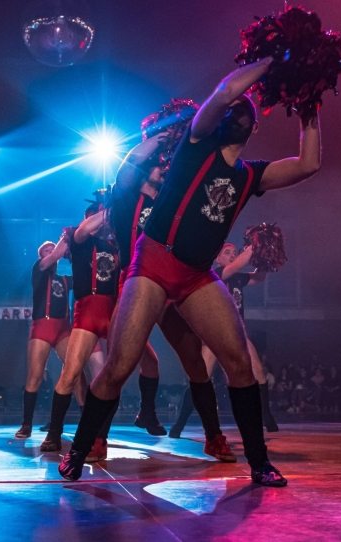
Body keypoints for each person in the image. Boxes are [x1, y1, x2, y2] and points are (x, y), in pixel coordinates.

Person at [58, 56, 321, 487]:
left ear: (255, 128)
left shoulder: (250, 175)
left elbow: (308, 165)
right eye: (235, 108)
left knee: (239, 364)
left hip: (198, 276)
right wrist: (275, 61)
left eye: (247, 112)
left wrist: (310, 108)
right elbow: (224, 93)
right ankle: (80, 450)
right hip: (154, 262)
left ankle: (259, 462)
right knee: (121, 364)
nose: (238, 110)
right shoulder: (196, 143)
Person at [109, 133, 236, 461]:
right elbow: (129, 165)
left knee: (193, 358)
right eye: (159, 167)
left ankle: (213, 436)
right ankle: (95, 437)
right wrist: (163, 136)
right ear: (146, 170)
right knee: (120, 363)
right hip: (135, 279)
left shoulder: (169, 202)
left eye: (167, 166)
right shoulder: (124, 199)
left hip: (170, 282)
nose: (164, 170)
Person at [39, 203, 122, 458]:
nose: (101, 222)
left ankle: (100, 438)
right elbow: (85, 228)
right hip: (88, 309)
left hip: (113, 311)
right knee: (70, 373)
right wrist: (112, 205)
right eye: (96, 217)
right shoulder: (79, 238)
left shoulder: (115, 244)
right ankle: (54, 433)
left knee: (109, 379)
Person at [174, 243, 279, 433]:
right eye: (227, 252)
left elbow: (260, 277)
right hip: (215, 332)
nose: (232, 255)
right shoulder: (215, 274)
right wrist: (254, 247)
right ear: (218, 259)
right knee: (200, 377)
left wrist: (263, 258)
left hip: (237, 332)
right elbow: (237, 266)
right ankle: (180, 422)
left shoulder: (238, 278)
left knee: (258, 371)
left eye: (235, 252)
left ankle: (266, 415)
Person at [15, 235, 77, 439]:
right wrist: (67, 238)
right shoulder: (38, 268)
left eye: (53, 249)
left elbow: (84, 275)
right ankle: (26, 424)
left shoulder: (65, 280)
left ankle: (80, 416)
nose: (51, 251)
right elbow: (57, 253)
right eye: (46, 250)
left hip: (63, 328)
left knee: (76, 370)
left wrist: (74, 254)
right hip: (43, 325)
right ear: (41, 256)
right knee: (35, 376)